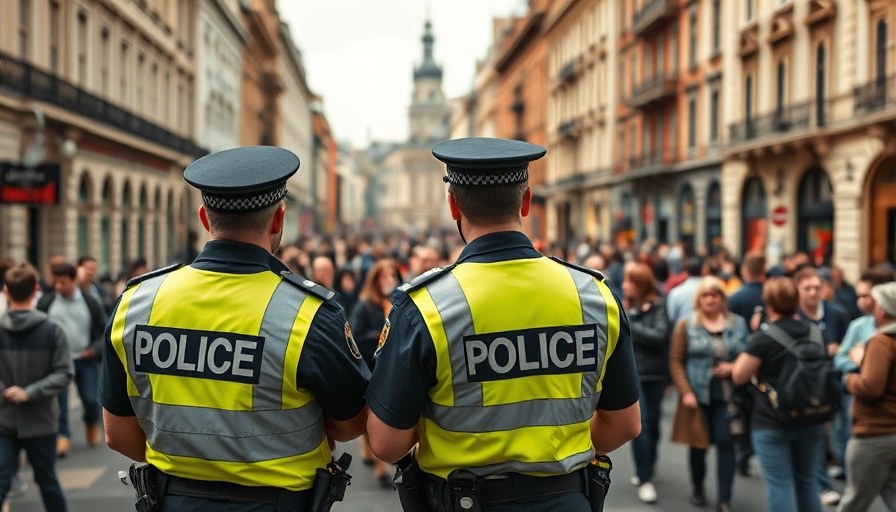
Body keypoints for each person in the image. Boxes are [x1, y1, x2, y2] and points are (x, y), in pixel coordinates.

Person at [366, 137, 641, 511]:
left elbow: (386, 444)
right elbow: (624, 425)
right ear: (526, 202)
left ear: (453, 206)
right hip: (567, 499)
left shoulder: (425, 307)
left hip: (463, 500)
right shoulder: (593, 295)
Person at [100, 146, 370, 511]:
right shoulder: (309, 314)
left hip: (172, 500)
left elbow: (118, 435)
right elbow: (351, 424)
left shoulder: (137, 302)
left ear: (203, 218)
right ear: (278, 220)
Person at [731, 277, 825, 512]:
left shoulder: (764, 338)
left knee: (779, 485)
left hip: (772, 419)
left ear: (769, 306)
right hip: (811, 414)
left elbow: (739, 375)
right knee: (808, 481)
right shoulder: (814, 332)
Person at [669, 276, 748, 512]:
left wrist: (734, 367)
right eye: (706, 295)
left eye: (715, 295)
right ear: (699, 299)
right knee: (699, 445)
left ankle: (724, 498)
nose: (710, 299)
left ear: (721, 298)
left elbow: (748, 354)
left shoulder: (737, 323)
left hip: (728, 395)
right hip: (697, 394)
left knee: (726, 443)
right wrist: (685, 391)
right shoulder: (687, 324)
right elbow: (675, 360)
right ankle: (698, 487)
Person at [0, 263, 73, 512]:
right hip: (42, 420)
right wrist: (30, 392)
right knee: (48, 483)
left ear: (6, 292)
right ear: (36, 290)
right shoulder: (52, 330)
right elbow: (64, 373)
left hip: (3, 421)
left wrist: (9, 391)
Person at [36, 262, 107, 457]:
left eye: (63, 283)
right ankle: (63, 436)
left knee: (91, 399)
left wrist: (93, 350)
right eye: (56, 282)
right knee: (60, 403)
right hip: (57, 362)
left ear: (73, 280)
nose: (58, 286)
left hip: (84, 359)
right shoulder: (47, 302)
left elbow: (104, 330)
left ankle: (91, 424)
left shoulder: (89, 302)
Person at [838, 282, 896, 512]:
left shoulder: (881, 341)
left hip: (875, 433)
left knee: (854, 502)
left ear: (882, 309)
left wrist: (849, 378)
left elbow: (871, 387)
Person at [795, 266, 849, 506]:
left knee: (841, 430)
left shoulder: (836, 313)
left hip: (834, 382)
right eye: (808, 288)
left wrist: (841, 350)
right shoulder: (795, 317)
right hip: (807, 386)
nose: (814, 292)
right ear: (798, 290)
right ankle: (821, 484)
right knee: (817, 435)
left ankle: (841, 469)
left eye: (817, 287)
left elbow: (849, 345)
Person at [348, 258, 402, 488]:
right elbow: (355, 337)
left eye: (393, 276)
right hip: (372, 368)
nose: (389, 281)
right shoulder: (365, 306)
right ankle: (380, 467)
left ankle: (368, 450)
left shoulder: (399, 303)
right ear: (375, 280)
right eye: (384, 276)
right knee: (375, 416)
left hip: (393, 369)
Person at [623, 262, 670, 504]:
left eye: (629, 282)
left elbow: (659, 337)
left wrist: (631, 322)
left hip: (656, 375)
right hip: (636, 374)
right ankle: (645, 477)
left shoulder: (660, 307)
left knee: (654, 427)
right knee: (641, 425)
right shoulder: (629, 307)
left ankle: (648, 467)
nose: (624, 286)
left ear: (640, 284)